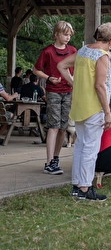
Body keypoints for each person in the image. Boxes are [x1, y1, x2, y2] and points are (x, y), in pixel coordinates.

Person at [57, 22, 111, 201]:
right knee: (90, 149)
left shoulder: (83, 51)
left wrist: (74, 83)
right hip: (95, 107)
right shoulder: (102, 56)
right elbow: (100, 85)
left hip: (79, 105)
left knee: (80, 146)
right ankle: (85, 187)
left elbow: (61, 65)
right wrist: (108, 112)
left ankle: (77, 185)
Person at [33, 20, 77, 175]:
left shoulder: (72, 50)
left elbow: (76, 69)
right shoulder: (48, 51)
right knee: (53, 126)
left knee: (64, 128)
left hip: (69, 91)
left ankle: (56, 159)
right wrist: (49, 77)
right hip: (53, 91)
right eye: (65, 34)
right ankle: (48, 162)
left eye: (69, 35)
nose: (67, 38)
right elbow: (36, 70)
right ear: (57, 34)